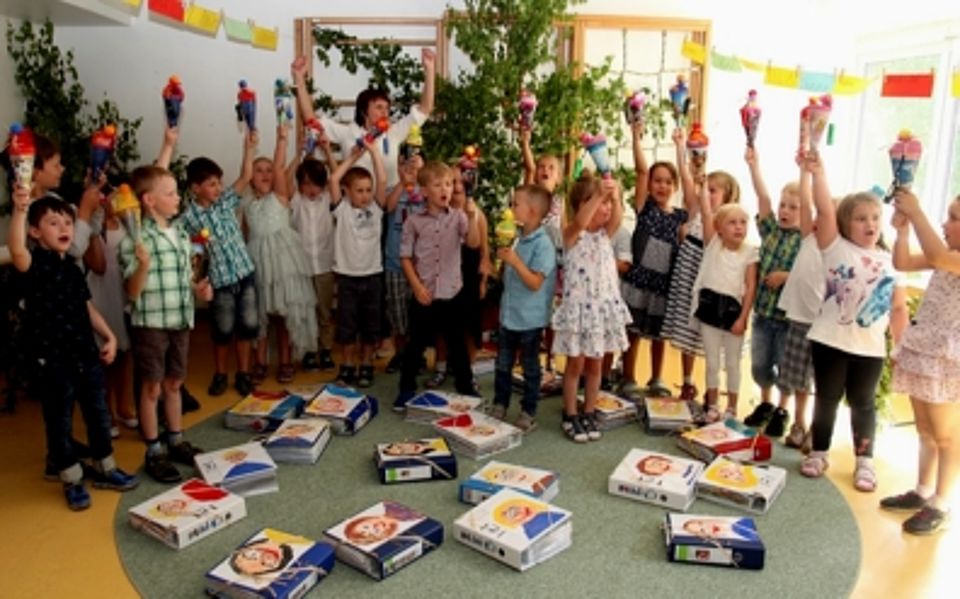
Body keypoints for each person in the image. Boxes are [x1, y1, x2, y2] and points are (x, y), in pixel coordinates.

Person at [8, 189, 138, 510]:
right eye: (53, 223)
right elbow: (16, 249)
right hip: (52, 360)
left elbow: (86, 306)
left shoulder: (72, 268)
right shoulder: (33, 264)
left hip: (85, 354)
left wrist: (108, 336)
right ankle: (70, 476)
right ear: (35, 232)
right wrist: (20, 210)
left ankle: (105, 466)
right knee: (59, 419)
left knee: (97, 412)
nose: (65, 228)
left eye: (68, 222)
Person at [798, 152, 909, 492]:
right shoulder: (835, 248)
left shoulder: (891, 261)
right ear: (846, 224)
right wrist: (819, 172)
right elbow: (824, 210)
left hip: (869, 349)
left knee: (863, 404)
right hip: (830, 340)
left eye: (875, 217)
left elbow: (899, 308)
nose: (869, 224)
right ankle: (819, 452)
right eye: (861, 218)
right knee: (827, 398)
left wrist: (902, 348)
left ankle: (865, 461)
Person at [120, 132, 214, 483]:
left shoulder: (179, 234)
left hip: (179, 321)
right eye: (171, 193)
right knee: (152, 387)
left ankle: (175, 439)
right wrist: (142, 265)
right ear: (149, 201)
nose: (177, 198)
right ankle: (153, 449)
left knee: (174, 383)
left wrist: (198, 287)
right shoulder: (136, 239)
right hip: (151, 324)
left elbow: (184, 276)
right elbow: (132, 292)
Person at [882, 189, 960, 534]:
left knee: (946, 435)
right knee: (925, 429)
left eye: (954, 218)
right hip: (924, 346)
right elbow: (903, 263)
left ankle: (941, 502)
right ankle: (923, 490)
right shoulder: (947, 255)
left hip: (946, 357)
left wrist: (916, 213)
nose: (945, 224)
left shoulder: (949, 258)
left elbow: (938, 255)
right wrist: (902, 231)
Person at [392, 162, 483, 410]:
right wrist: (416, 286)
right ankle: (406, 388)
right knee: (415, 345)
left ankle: (465, 385)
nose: (445, 189)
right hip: (425, 293)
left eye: (449, 184)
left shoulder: (459, 217)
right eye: (438, 185)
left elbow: (473, 243)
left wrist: (472, 216)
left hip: (452, 293)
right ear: (424, 191)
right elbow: (405, 257)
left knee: (457, 344)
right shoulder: (413, 221)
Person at [661, 126, 741, 402]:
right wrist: (680, 146)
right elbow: (686, 178)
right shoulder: (695, 209)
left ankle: (712, 388)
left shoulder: (724, 220)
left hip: (708, 281)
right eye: (707, 188)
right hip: (687, 275)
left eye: (714, 190)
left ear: (727, 197)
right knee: (687, 329)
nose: (708, 193)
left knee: (707, 336)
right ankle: (686, 382)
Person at [551, 172, 632, 442]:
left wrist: (614, 195)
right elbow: (580, 222)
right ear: (580, 206)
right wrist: (599, 193)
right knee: (575, 365)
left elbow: (617, 215)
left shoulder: (606, 235)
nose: (605, 207)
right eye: (598, 203)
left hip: (599, 312)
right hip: (579, 313)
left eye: (607, 203)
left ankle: (589, 411)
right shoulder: (572, 234)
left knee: (596, 366)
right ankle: (570, 413)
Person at [180, 132, 259, 397]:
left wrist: (249, 148)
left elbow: (246, 176)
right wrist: (195, 255)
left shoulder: (225, 201)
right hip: (220, 282)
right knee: (222, 330)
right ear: (195, 188)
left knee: (247, 327)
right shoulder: (189, 217)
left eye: (219, 182)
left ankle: (244, 374)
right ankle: (221, 374)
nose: (218, 188)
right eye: (212, 184)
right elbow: (189, 249)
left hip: (244, 274)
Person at [290, 48, 435, 188]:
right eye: (379, 107)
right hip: (353, 199)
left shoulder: (394, 132)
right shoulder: (348, 132)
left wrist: (429, 70)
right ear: (364, 111)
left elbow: (425, 110)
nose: (385, 112)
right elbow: (311, 120)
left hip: (389, 198)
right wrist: (299, 79)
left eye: (387, 108)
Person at [244, 124, 317, 384]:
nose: (266, 174)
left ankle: (286, 360)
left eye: (269, 170)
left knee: (283, 314)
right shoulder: (247, 204)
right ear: (250, 177)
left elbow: (279, 168)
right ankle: (260, 361)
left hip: (283, 264)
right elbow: (246, 234)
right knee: (260, 314)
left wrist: (282, 141)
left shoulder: (280, 196)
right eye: (259, 170)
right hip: (258, 262)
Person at [741, 147, 804, 437]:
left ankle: (782, 409)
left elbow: (810, 276)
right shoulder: (771, 231)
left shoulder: (806, 241)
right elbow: (763, 198)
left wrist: (786, 277)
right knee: (760, 365)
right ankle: (765, 403)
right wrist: (754, 166)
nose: (785, 211)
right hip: (764, 314)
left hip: (788, 319)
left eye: (793, 207)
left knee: (785, 368)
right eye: (783, 205)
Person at [621, 125, 687, 398]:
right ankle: (627, 376)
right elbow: (640, 170)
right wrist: (636, 137)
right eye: (657, 180)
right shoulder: (645, 208)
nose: (662, 186)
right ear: (649, 185)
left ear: (675, 186)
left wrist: (683, 149)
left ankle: (657, 377)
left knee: (659, 335)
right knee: (633, 331)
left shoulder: (681, 217)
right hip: (639, 280)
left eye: (668, 182)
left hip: (663, 284)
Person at [489, 184, 557, 433]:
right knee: (502, 364)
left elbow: (535, 283)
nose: (511, 208)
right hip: (509, 314)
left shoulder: (544, 245)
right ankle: (500, 403)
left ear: (532, 212)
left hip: (530, 319)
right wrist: (495, 266)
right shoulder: (515, 237)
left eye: (516, 204)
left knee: (530, 367)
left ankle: (529, 411)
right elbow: (506, 274)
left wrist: (515, 261)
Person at [691, 191, 758, 422]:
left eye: (743, 222)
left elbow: (750, 287)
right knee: (712, 361)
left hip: (733, 313)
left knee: (732, 363)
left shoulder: (750, 252)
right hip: (710, 308)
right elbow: (706, 212)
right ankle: (712, 405)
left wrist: (743, 318)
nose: (739, 227)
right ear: (718, 227)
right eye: (732, 222)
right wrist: (702, 186)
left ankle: (731, 407)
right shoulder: (714, 244)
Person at [328, 140, 388, 387]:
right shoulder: (341, 209)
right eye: (359, 190)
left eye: (368, 190)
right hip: (347, 278)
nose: (365, 195)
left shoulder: (376, 208)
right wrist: (353, 157)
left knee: (370, 326)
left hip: (372, 277)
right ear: (347, 191)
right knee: (347, 326)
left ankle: (366, 365)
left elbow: (382, 180)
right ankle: (347, 366)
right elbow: (334, 179)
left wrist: (373, 152)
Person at [773, 154, 820, 450]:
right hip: (800, 319)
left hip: (823, 325)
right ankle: (799, 423)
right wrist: (805, 172)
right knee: (798, 379)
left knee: (819, 382)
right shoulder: (809, 239)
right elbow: (808, 205)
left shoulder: (839, 250)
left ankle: (816, 428)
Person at [83, 191, 137, 438]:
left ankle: (124, 406)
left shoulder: (128, 220)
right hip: (101, 291)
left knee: (125, 352)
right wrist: (97, 222)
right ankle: (107, 412)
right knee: (105, 352)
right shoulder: (91, 226)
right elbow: (97, 265)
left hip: (123, 288)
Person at [290, 107, 339, 373]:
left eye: (316, 184)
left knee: (325, 311)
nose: (311, 190)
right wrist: (301, 153)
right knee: (304, 311)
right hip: (301, 267)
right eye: (306, 184)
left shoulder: (327, 200)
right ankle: (308, 351)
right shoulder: (296, 201)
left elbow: (336, 177)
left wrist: (327, 150)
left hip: (325, 266)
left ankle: (326, 349)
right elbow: (289, 179)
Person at [520, 125, 564, 378]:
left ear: (558, 178)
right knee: (530, 310)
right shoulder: (530, 196)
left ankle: (552, 358)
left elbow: (565, 231)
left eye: (551, 168)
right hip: (530, 261)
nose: (545, 170)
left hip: (553, 265)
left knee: (552, 315)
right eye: (541, 166)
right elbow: (528, 168)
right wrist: (526, 143)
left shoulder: (560, 202)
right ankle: (527, 356)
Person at [383, 153, 426, 374]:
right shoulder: (394, 190)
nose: (412, 169)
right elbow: (388, 207)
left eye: (417, 166)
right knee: (397, 313)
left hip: (420, 266)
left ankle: (416, 355)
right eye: (408, 164)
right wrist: (402, 182)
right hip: (395, 262)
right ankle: (400, 353)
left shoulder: (426, 193)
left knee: (417, 314)